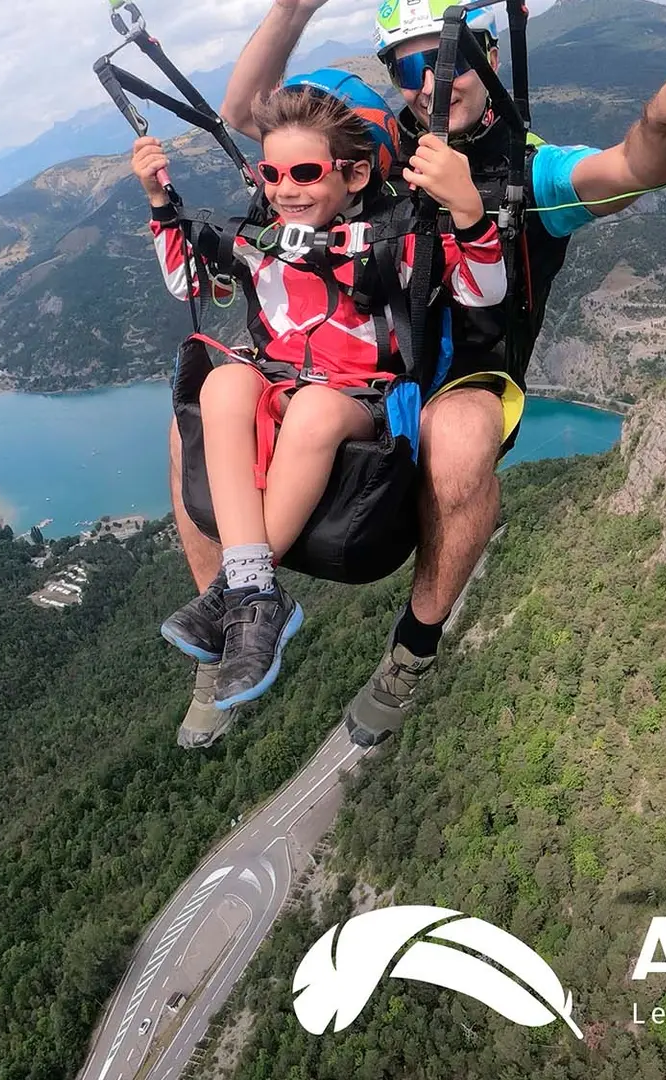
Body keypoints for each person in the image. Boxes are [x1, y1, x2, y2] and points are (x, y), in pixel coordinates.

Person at [166, 0, 666, 749]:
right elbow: (251, 114)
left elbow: (631, 167)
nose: (432, 82)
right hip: (363, 362)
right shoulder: (377, 150)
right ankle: (228, 625)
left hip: (469, 372)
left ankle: (412, 650)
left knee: (454, 448)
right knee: (195, 418)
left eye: (448, 57)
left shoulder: (528, 171)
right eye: (409, 65)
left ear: (487, 54)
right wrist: (294, 8)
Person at [139, 78, 506, 716]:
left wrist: (469, 214)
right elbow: (184, 281)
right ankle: (254, 596)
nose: (287, 188)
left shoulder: (399, 241)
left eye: (306, 172)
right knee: (222, 380)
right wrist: (160, 204)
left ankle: (242, 586)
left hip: (357, 397)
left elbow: (482, 293)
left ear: (355, 175)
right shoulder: (265, 240)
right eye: (272, 173)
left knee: (311, 409)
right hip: (278, 379)